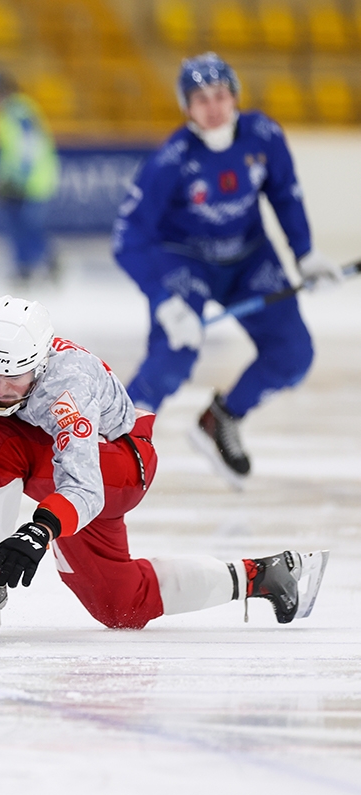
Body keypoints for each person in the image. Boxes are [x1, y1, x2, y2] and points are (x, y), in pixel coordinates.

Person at [0, 295, 328, 636]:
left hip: (119, 464)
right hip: (59, 468)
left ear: (41, 363)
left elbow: (84, 486)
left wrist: (35, 532)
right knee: (120, 605)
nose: (0, 390)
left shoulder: (66, 386)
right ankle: (265, 575)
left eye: (16, 377)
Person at [113, 53, 341, 489]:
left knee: (292, 354)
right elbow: (128, 239)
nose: (213, 106)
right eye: (200, 98)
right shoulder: (171, 161)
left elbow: (286, 195)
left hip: (251, 258)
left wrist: (305, 253)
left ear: (234, 95)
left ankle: (221, 419)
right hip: (185, 262)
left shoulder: (264, 136)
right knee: (172, 359)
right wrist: (164, 301)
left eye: (220, 94)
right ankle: (112, 443)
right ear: (186, 107)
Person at [0, 64, 59, 286]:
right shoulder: (10, 111)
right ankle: (32, 265)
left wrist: (16, 178)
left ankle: (37, 264)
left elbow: (27, 145)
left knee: (27, 223)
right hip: (25, 178)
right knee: (19, 223)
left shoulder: (16, 110)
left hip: (31, 180)